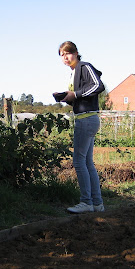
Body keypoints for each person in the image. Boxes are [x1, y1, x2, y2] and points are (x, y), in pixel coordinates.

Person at [55, 41, 105, 213]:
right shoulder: (74, 73)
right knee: (88, 162)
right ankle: (97, 203)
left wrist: (75, 94)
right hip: (85, 118)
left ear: (76, 53)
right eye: (62, 55)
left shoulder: (84, 67)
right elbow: (81, 95)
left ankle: (86, 202)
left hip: (86, 120)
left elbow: (99, 86)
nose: (65, 57)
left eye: (67, 53)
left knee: (78, 161)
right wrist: (67, 98)